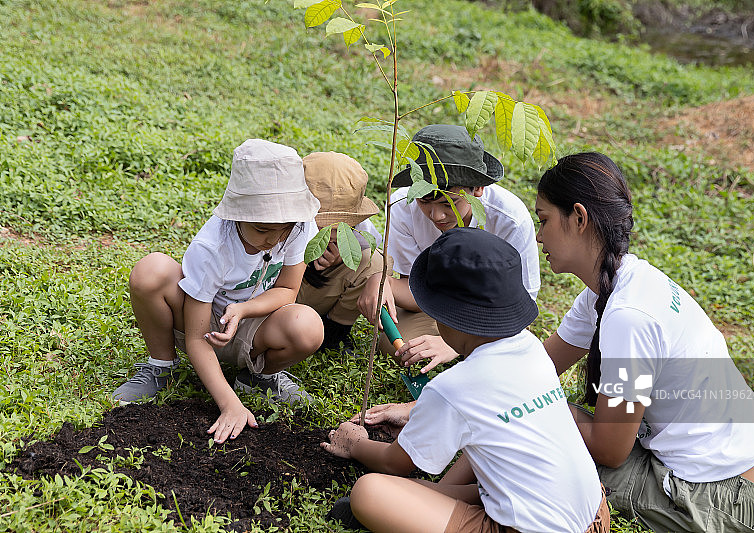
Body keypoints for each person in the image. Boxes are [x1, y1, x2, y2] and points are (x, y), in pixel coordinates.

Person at [535, 152, 754, 532]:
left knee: (543, 437)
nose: (539, 235)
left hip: (729, 504)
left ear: (578, 217)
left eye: (543, 220)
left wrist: (543, 412)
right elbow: (540, 368)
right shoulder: (620, 285)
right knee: (542, 411)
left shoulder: (629, 317)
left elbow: (610, 449)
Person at [322, 227, 609, 533]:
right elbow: (487, 424)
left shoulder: (454, 386)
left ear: (444, 316)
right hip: (594, 515)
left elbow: (396, 463)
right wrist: (418, 418)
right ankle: (422, 505)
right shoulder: (531, 349)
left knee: (369, 491)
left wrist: (355, 444)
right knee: (482, 469)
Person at [112, 139, 324, 444]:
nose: (274, 240)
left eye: (284, 229)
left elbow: (288, 289)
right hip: (203, 321)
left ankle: (257, 378)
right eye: (262, 230)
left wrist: (243, 310)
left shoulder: (302, 228)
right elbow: (198, 337)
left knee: (307, 327)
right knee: (151, 270)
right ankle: (161, 368)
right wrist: (229, 406)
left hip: (256, 321)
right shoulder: (213, 246)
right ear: (237, 214)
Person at [357, 124, 540, 371]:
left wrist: (453, 344)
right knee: (402, 348)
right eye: (424, 202)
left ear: (478, 189)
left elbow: (521, 305)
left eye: (449, 203)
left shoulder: (509, 219)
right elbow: (416, 290)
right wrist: (383, 283)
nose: (436, 215)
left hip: (491, 315)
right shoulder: (402, 205)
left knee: (494, 359)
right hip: (436, 307)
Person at [296, 151, 387, 356]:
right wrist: (305, 261)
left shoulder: (358, 225)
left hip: (318, 293)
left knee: (372, 263)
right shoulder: (279, 220)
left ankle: (334, 333)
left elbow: (371, 255)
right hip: (279, 296)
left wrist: (341, 255)